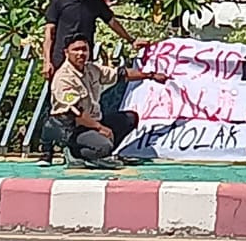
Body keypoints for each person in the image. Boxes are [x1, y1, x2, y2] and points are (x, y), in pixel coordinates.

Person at [43, 34, 169, 168]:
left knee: (130, 118)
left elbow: (121, 74)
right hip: (71, 127)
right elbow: (76, 114)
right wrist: (100, 128)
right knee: (104, 145)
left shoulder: (92, 69)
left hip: (93, 122)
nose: (81, 53)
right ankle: (76, 152)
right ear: (66, 52)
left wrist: (150, 75)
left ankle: (98, 152)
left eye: (84, 49)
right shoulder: (64, 78)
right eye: (76, 50)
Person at [42, 0, 145, 80]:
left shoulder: (95, 2)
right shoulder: (58, 2)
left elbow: (112, 22)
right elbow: (49, 33)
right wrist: (47, 61)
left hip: (84, 58)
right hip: (60, 59)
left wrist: (131, 40)